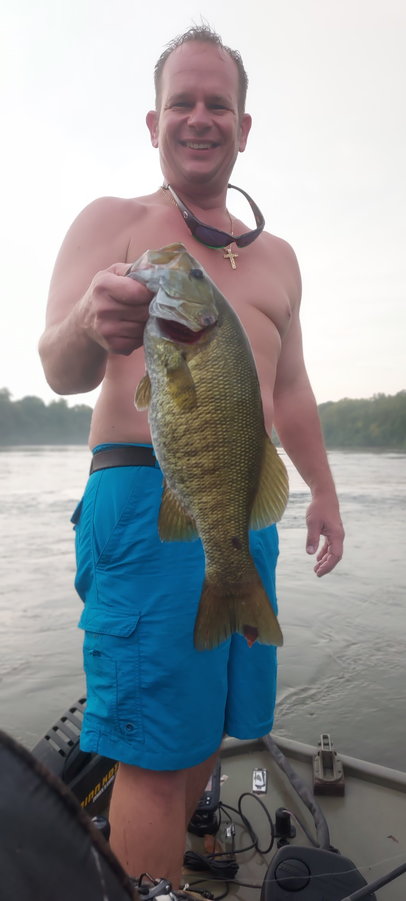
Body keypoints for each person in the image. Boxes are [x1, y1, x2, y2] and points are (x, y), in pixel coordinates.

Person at [38, 25, 344, 891]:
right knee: (152, 749)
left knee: (209, 727)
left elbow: (289, 392)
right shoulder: (115, 224)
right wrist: (87, 327)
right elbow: (56, 367)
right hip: (143, 500)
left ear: (245, 127)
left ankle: (179, 849)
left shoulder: (277, 259)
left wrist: (321, 489)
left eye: (218, 104)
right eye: (183, 102)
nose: (199, 117)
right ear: (153, 120)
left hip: (244, 501)